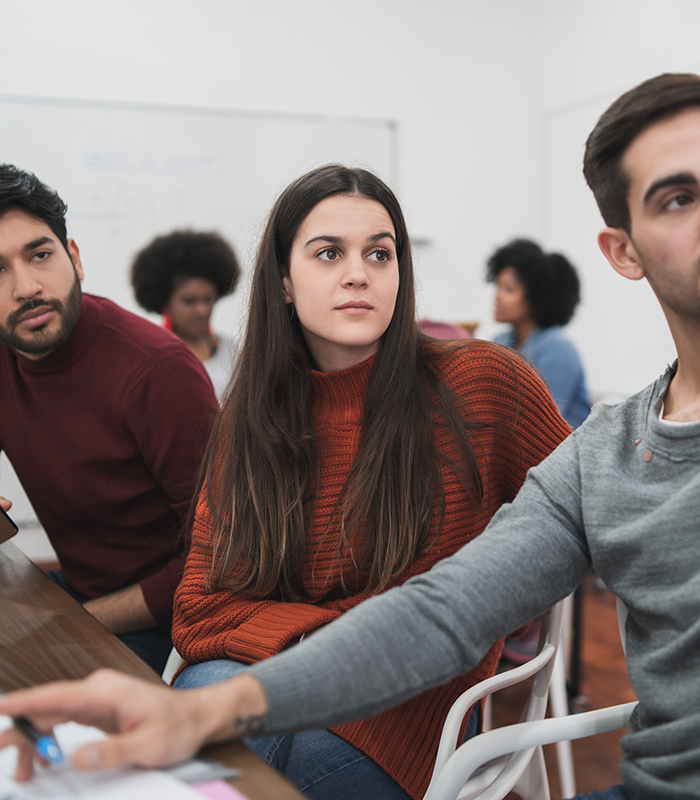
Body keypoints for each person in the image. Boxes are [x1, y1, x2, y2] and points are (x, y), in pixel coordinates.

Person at [8, 68, 700, 800]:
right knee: (216, 716)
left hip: (406, 696)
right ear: (282, 279)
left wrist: (299, 638)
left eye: (380, 253)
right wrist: (308, 649)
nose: (358, 276)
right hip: (301, 671)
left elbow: (469, 612)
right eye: (328, 253)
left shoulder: (484, 384)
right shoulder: (256, 414)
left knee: (272, 752)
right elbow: (215, 608)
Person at [0, 165, 218, 675]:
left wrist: (78, 621)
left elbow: (222, 558)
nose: (27, 287)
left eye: (40, 255)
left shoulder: (157, 371)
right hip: (81, 595)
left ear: (73, 257)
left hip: (180, 623)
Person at [487, 238, 591, 429]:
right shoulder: (500, 342)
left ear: (536, 296)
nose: (497, 295)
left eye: (509, 289)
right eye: (498, 286)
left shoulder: (558, 347)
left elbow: (542, 426)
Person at [130, 229, 241, 399]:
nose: (202, 310)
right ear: (165, 300)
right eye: (189, 301)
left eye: (208, 299)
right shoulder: (152, 358)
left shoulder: (230, 351)